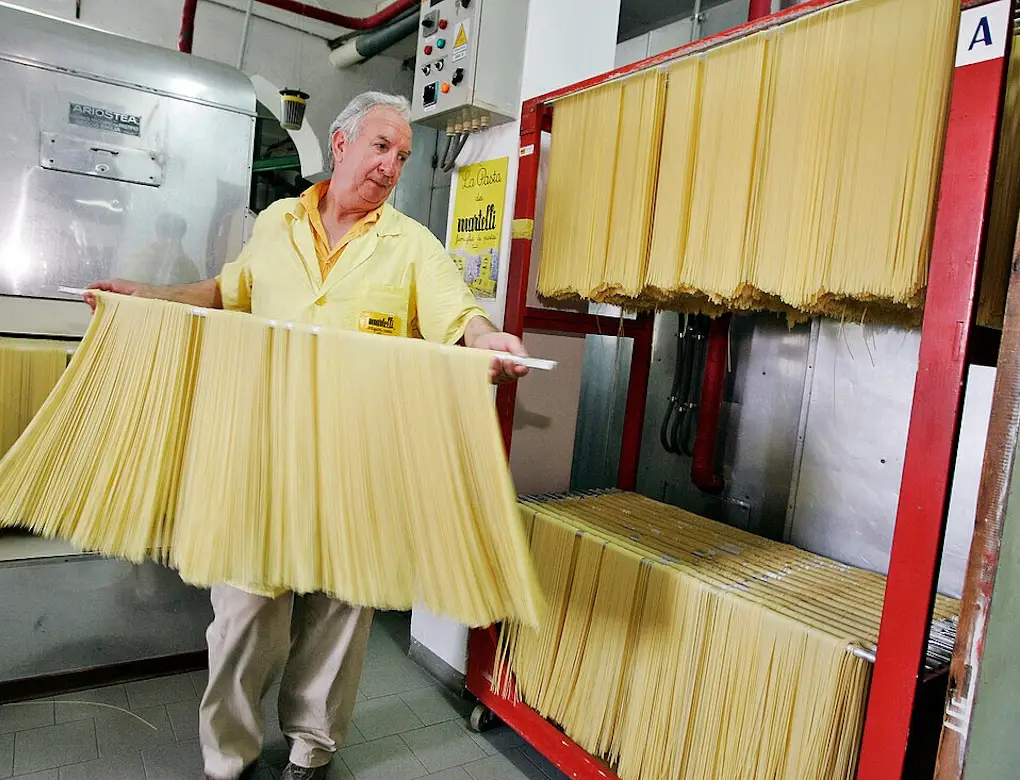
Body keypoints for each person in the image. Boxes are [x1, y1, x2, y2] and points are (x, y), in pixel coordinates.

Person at [86, 91, 530, 780]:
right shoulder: (277, 223)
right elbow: (229, 291)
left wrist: (487, 338)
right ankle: (227, 757)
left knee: (338, 612)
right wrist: (150, 296)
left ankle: (310, 750)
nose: (392, 165)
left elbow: (459, 317)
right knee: (243, 612)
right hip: (264, 451)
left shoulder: (411, 245)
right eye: (382, 146)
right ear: (342, 144)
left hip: (358, 460)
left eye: (404, 156)